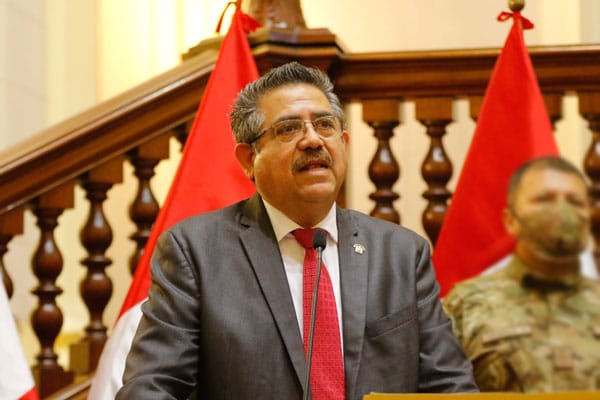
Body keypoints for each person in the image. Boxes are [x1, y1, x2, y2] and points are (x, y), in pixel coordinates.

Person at [116, 61, 478, 399]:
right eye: (289, 128)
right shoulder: (196, 251)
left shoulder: (401, 254)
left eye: (325, 125)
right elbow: (151, 387)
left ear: (344, 144)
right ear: (248, 159)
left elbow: (450, 385)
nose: (313, 140)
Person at [443, 155, 600, 392]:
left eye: (575, 201)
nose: (562, 210)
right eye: (544, 199)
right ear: (510, 221)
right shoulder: (465, 304)